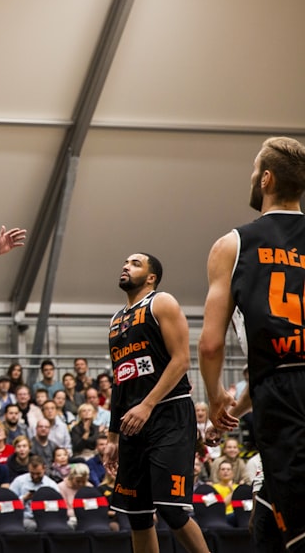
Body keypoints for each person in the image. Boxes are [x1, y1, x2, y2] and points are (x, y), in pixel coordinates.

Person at [198, 137, 305, 553]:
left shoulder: (234, 244)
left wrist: (215, 398)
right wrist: (235, 408)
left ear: (266, 178)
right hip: (272, 385)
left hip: (282, 392)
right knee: (269, 516)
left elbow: (210, 346)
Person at [104, 253, 210, 553]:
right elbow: (119, 381)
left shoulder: (161, 302)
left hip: (168, 414)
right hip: (132, 421)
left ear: (151, 277)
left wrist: (147, 404)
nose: (125, 265)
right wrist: (112, 437)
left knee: (171, 510)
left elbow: (181, 360)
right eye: (124, 261)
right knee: (137, 517)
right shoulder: (115, 320)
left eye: (135, 263)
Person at [9, 455, 60, 531]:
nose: (35, 476)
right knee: (31, 526)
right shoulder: (19, 481)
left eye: (38, 474)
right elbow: (10, 504)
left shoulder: (51, 485)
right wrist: (24, 498)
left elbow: (58, 505)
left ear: (44, 469)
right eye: (32, 474)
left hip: (46, 517)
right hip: (25, 517)